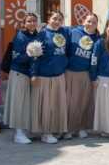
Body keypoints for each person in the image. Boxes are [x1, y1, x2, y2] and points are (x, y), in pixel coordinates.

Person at [31, 10, 70, 143]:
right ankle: (45, 133)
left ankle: (56, 130)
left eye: (60, 19)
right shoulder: (42, 35)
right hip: (45, 76)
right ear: (49, 19)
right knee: (46, 106)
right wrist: (34, 74)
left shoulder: (64, 32)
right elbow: (35, 56)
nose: (57, 21)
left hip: (59, 75)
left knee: (57, 105)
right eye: (54, 18)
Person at [4, 12, 39, 144]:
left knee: (27, 104)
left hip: (31, 74)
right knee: (19, 103)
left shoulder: (37, 36)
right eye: (29, 21)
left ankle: (25, 130)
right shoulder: (20, 36)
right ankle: (18, 133)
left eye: (34, 20)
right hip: (19, 73)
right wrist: (30, 54)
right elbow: (17, 57)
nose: (32, 23)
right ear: (24, 23)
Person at [65, 13, 99, 139]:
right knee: (70, 103)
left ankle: (81, 127)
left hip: (85, 73)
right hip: (70, 72)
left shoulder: (97, 39)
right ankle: (68, 129)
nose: (91, 24)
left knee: (84, 102)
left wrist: (94, 76)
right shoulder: (73, 32)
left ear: (97, 25)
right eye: (89, 21)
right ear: (84, 21)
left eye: (94, 22)